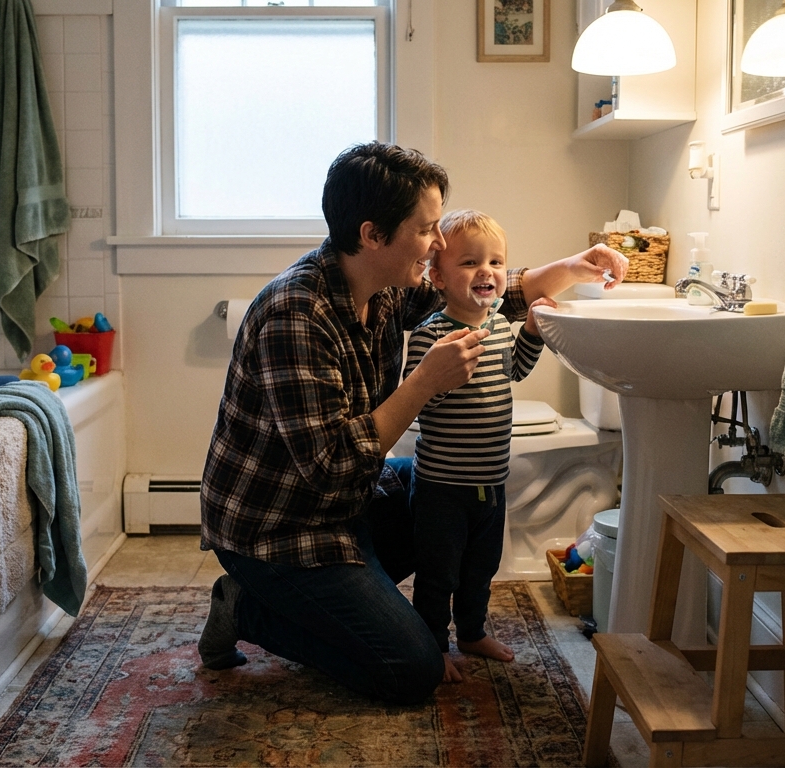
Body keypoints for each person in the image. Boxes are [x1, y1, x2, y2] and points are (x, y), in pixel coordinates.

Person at [197, 141, 627, 704]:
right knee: (408, 668)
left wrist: (572, 267)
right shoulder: (294, 314)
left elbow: (484, 289)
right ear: (374, 234)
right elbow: (331, 467)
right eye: (428, 230)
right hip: (282, 528)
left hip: (347, 499)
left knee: (444, 500)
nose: (440, 244)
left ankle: (349, 585)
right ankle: (246, 606)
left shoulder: (383, 285)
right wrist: (424, 382)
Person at [401, 210, 554, 683]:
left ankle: (470, 631)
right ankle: (433, 644)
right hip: (442, 487)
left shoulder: (499, 327)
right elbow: (419, 397)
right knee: (437, 574)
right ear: (438, 276)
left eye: (495, 262)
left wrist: (529, 332)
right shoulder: (432, 334)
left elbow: (515, 371)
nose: (485, 271)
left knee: (479, 569)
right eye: (469, 262)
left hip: (491, 482)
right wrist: (441, 376)